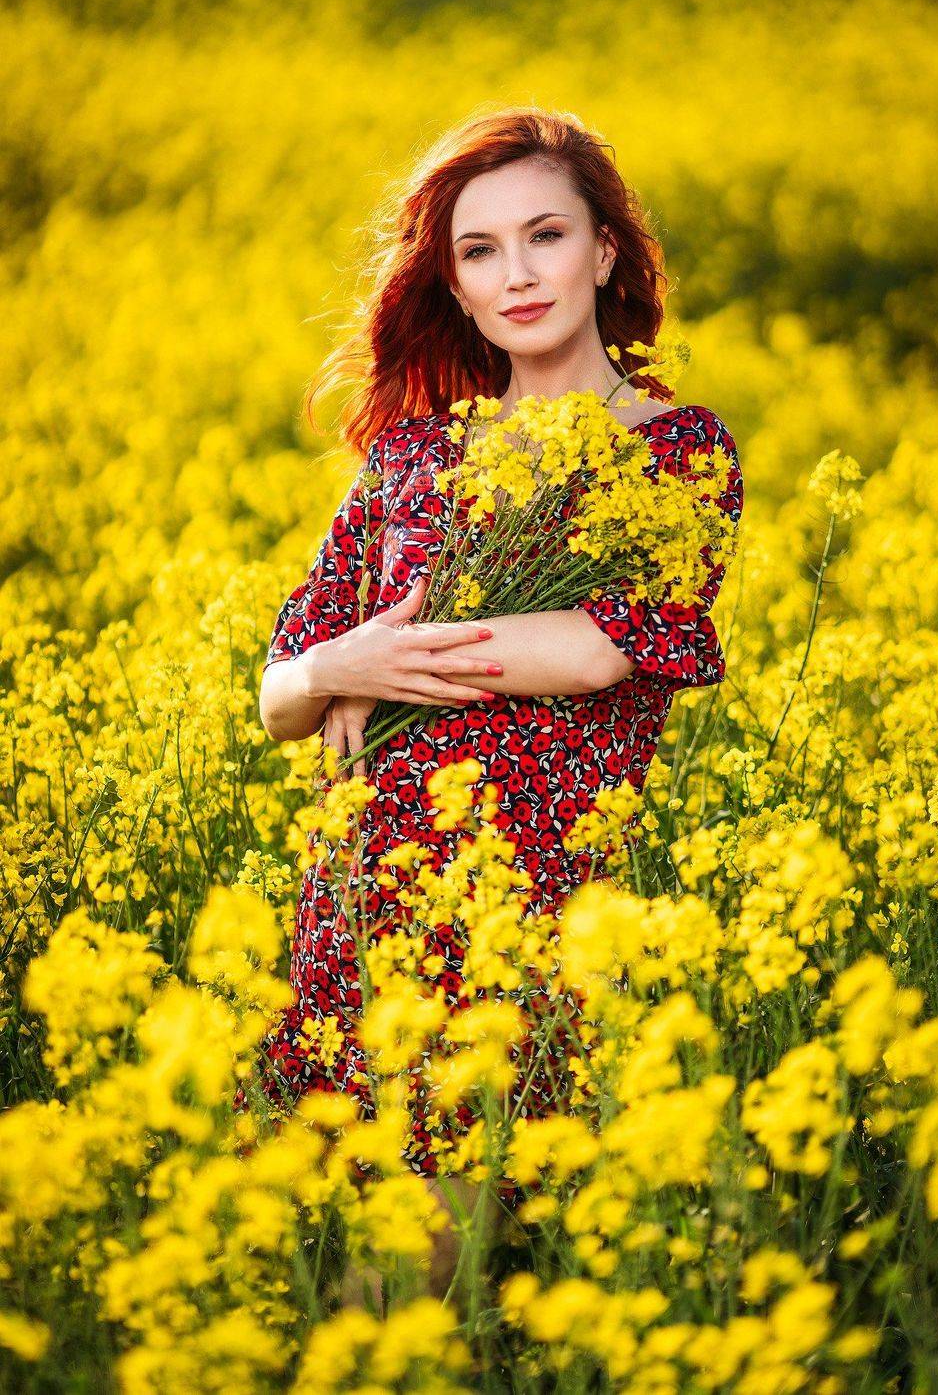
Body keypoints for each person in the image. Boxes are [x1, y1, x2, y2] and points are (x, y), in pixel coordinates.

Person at [233, 104, 744, 1310]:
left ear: (605, 252)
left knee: (413, 1293)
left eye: (545, 236)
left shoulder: (675, 448)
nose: (516, 275)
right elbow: (280, 686)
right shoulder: (413, 455)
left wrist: (379, 659)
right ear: (451, 283)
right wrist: (331, 671)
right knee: (283, 1283)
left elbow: (599, 649)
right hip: (355, 910)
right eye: (478, 251)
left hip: (523, 918)